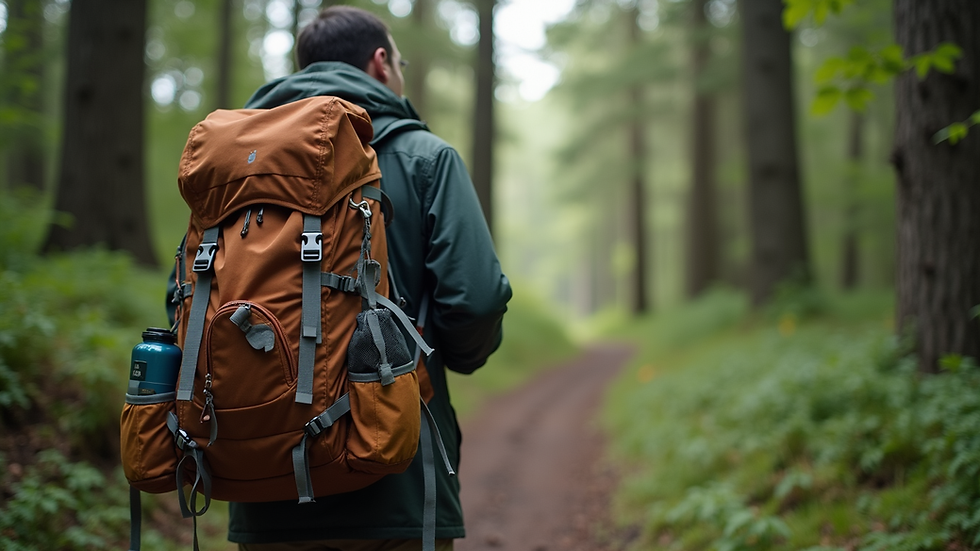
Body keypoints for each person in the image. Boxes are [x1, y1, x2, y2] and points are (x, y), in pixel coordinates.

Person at [208, 5, 511, 551]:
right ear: (380, 63)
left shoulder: (232, 171)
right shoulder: (424, 157)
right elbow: (477, 298)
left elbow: (190, 300)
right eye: (399, 60)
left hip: (262, 477)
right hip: (394, 467)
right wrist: (456, 356)